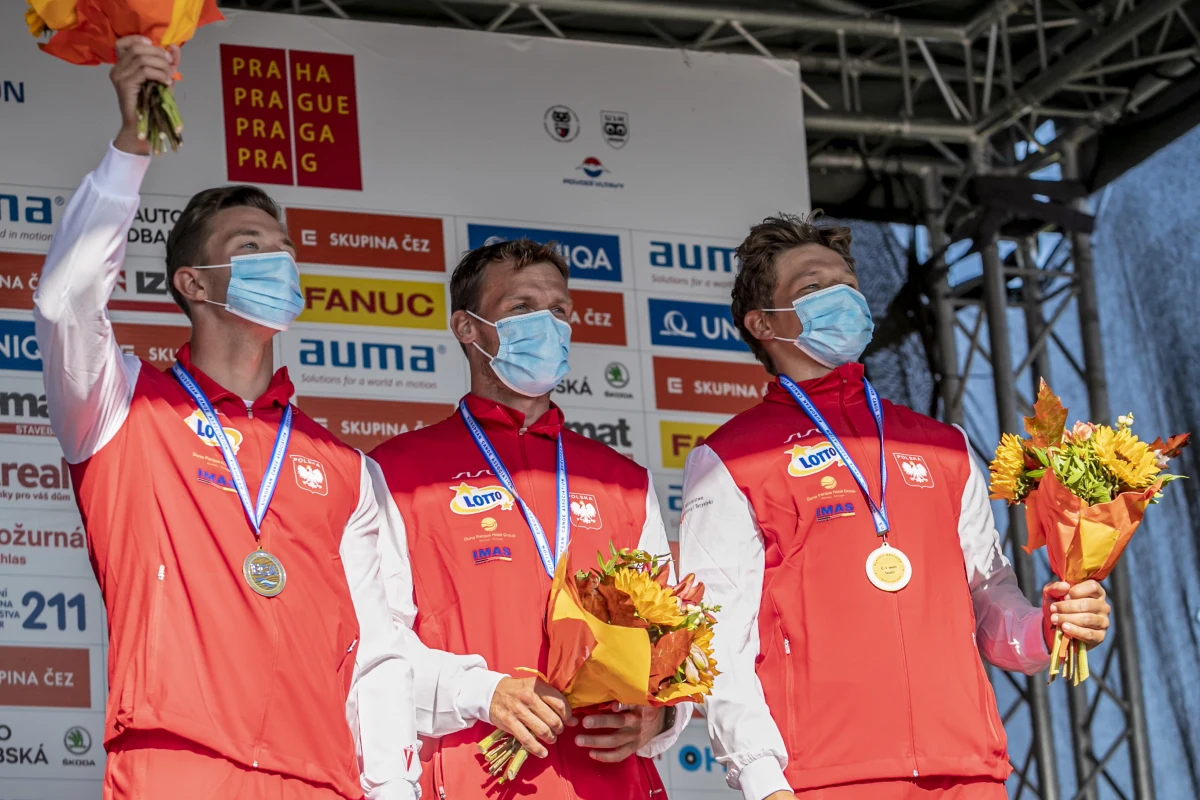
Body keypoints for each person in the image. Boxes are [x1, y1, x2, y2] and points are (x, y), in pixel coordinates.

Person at [33, 37, 419, 800]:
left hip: (324, 781)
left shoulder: (344, 466)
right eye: (250, 247)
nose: (277, 261)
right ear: (193, 283)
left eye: (284, 249)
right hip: (176, 766)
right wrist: (132, 149)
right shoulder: (123, 408)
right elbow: (63, 301)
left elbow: (380, 655)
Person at [678, 214, 1113, 800]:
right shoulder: (732, 458)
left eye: (848, 285)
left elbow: (989, 601)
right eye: (812, 288)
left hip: (969, 772)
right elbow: (714, 638)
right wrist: (761, 780)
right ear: (763, 323)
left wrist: (1047, 627)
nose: (841, 298)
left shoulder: (944, 446)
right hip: (826, 780)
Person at [367, 238, 689, 799]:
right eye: (521, 307)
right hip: (476, 778)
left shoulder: (623, 481)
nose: (548, 322)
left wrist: (659, 719)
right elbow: (373, 651)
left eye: (559, 309)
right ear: (467, 329)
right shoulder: (398, 472)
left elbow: (671, 642)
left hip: (611, 783)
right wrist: (480, 692)